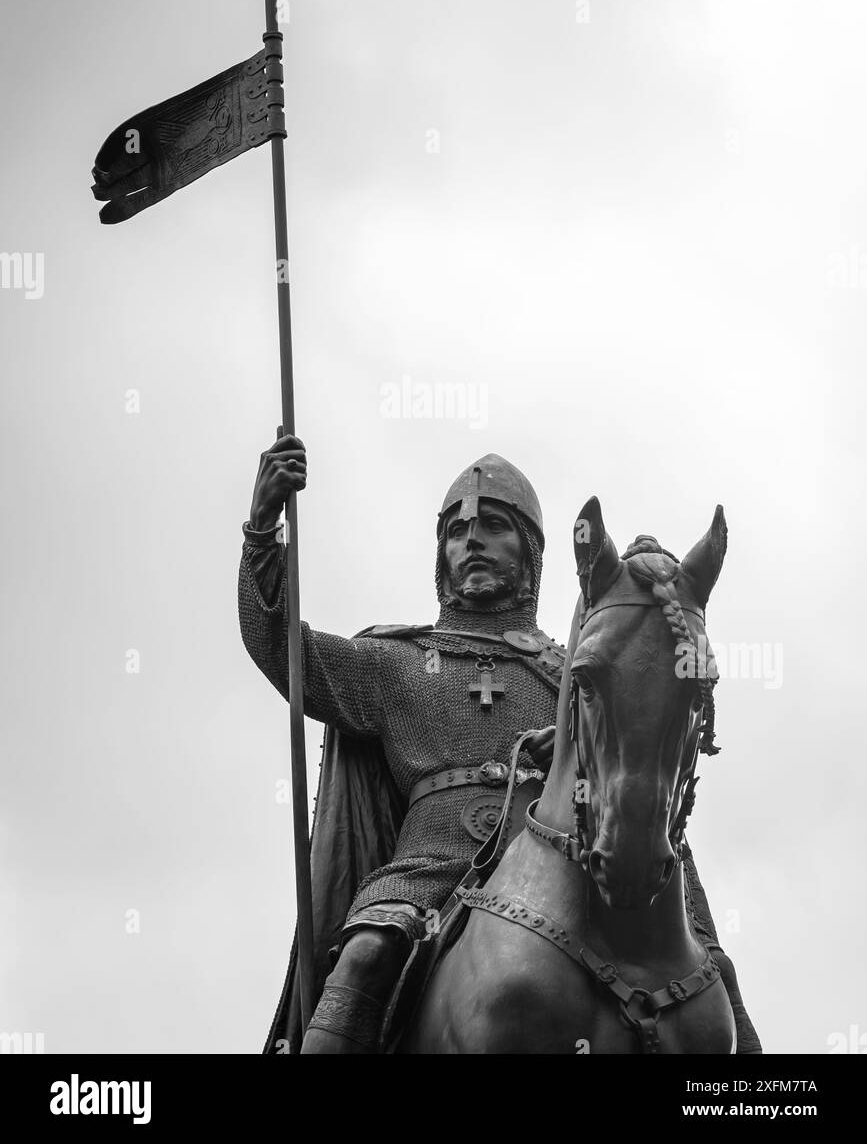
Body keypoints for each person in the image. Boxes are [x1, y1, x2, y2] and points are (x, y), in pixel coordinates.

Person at [238, 437, 761, 1053]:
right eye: (457, 532)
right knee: (367, 954)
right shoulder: (396, 661)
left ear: (530, 551)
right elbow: (283, 649)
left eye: (492, 526)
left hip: (565, 872)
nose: (472, 542)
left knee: (713, 985)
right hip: (429, 872)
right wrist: (263, 530)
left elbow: (641, 784)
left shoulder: (578, 674)